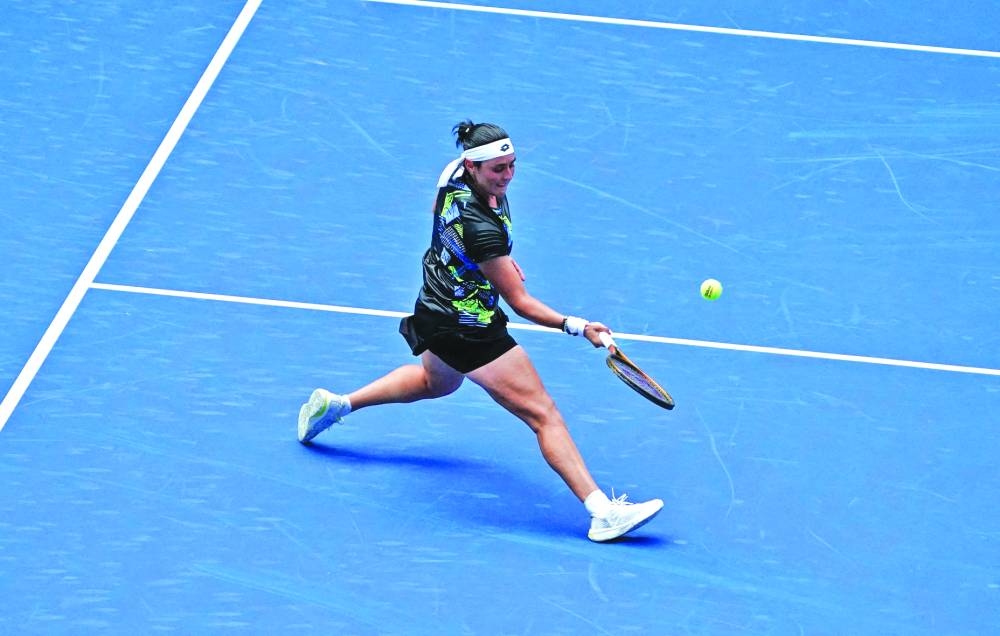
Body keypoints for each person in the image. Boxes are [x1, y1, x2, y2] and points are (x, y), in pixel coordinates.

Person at [298, 120, 662, 542]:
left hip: (433, 306)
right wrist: (580, 327)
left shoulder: (452, 178)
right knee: (543, 414)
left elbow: (444, 224)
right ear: (472, 167)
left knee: (435, 382)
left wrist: (484, 268)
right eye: (497, 170)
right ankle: (602, 513)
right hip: (469, 329)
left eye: (512, 166)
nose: (507, 176)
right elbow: (522, 304)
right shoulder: (481, 229)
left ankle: (337, 406)